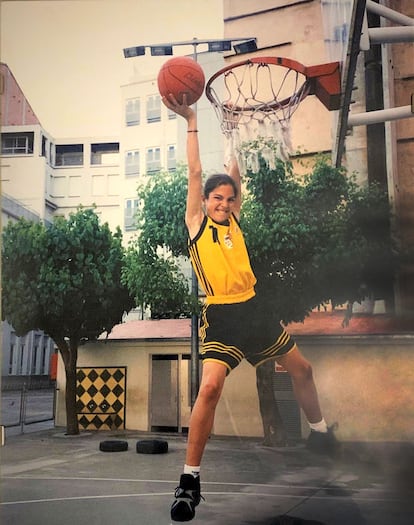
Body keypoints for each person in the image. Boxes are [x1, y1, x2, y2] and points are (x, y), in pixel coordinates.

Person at [162, 94, 339, 523]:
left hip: (255, 309)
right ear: (204, 203)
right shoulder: (197, 224)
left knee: (303, 370)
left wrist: (235, 128)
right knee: (209, 389)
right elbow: (196, 171)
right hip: (222, 314)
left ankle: (320, 435)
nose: (223, 204)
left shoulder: (236, 219)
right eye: (216, 199)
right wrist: (191, 120)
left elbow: (232, 169)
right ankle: (189, 483)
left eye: (228, 198)